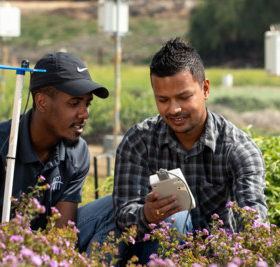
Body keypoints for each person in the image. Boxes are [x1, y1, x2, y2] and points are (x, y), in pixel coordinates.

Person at [113, 38, 269, 264]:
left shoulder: (238, 148)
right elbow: (122, 217)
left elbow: (254, 221)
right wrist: (148, 214)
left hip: (217, 257)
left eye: (184, 97)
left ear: (205, 89)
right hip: (157, 256)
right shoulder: (139, 142)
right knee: (172, 216)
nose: (174, 109)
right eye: (163, 100)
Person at [0, 52, 115, 254]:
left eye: (87, 104)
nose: (85, 114)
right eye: (74, 103)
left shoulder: (78, 151)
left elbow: (62, 235)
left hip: (39, 251)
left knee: (115, 207)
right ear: (41, 102)